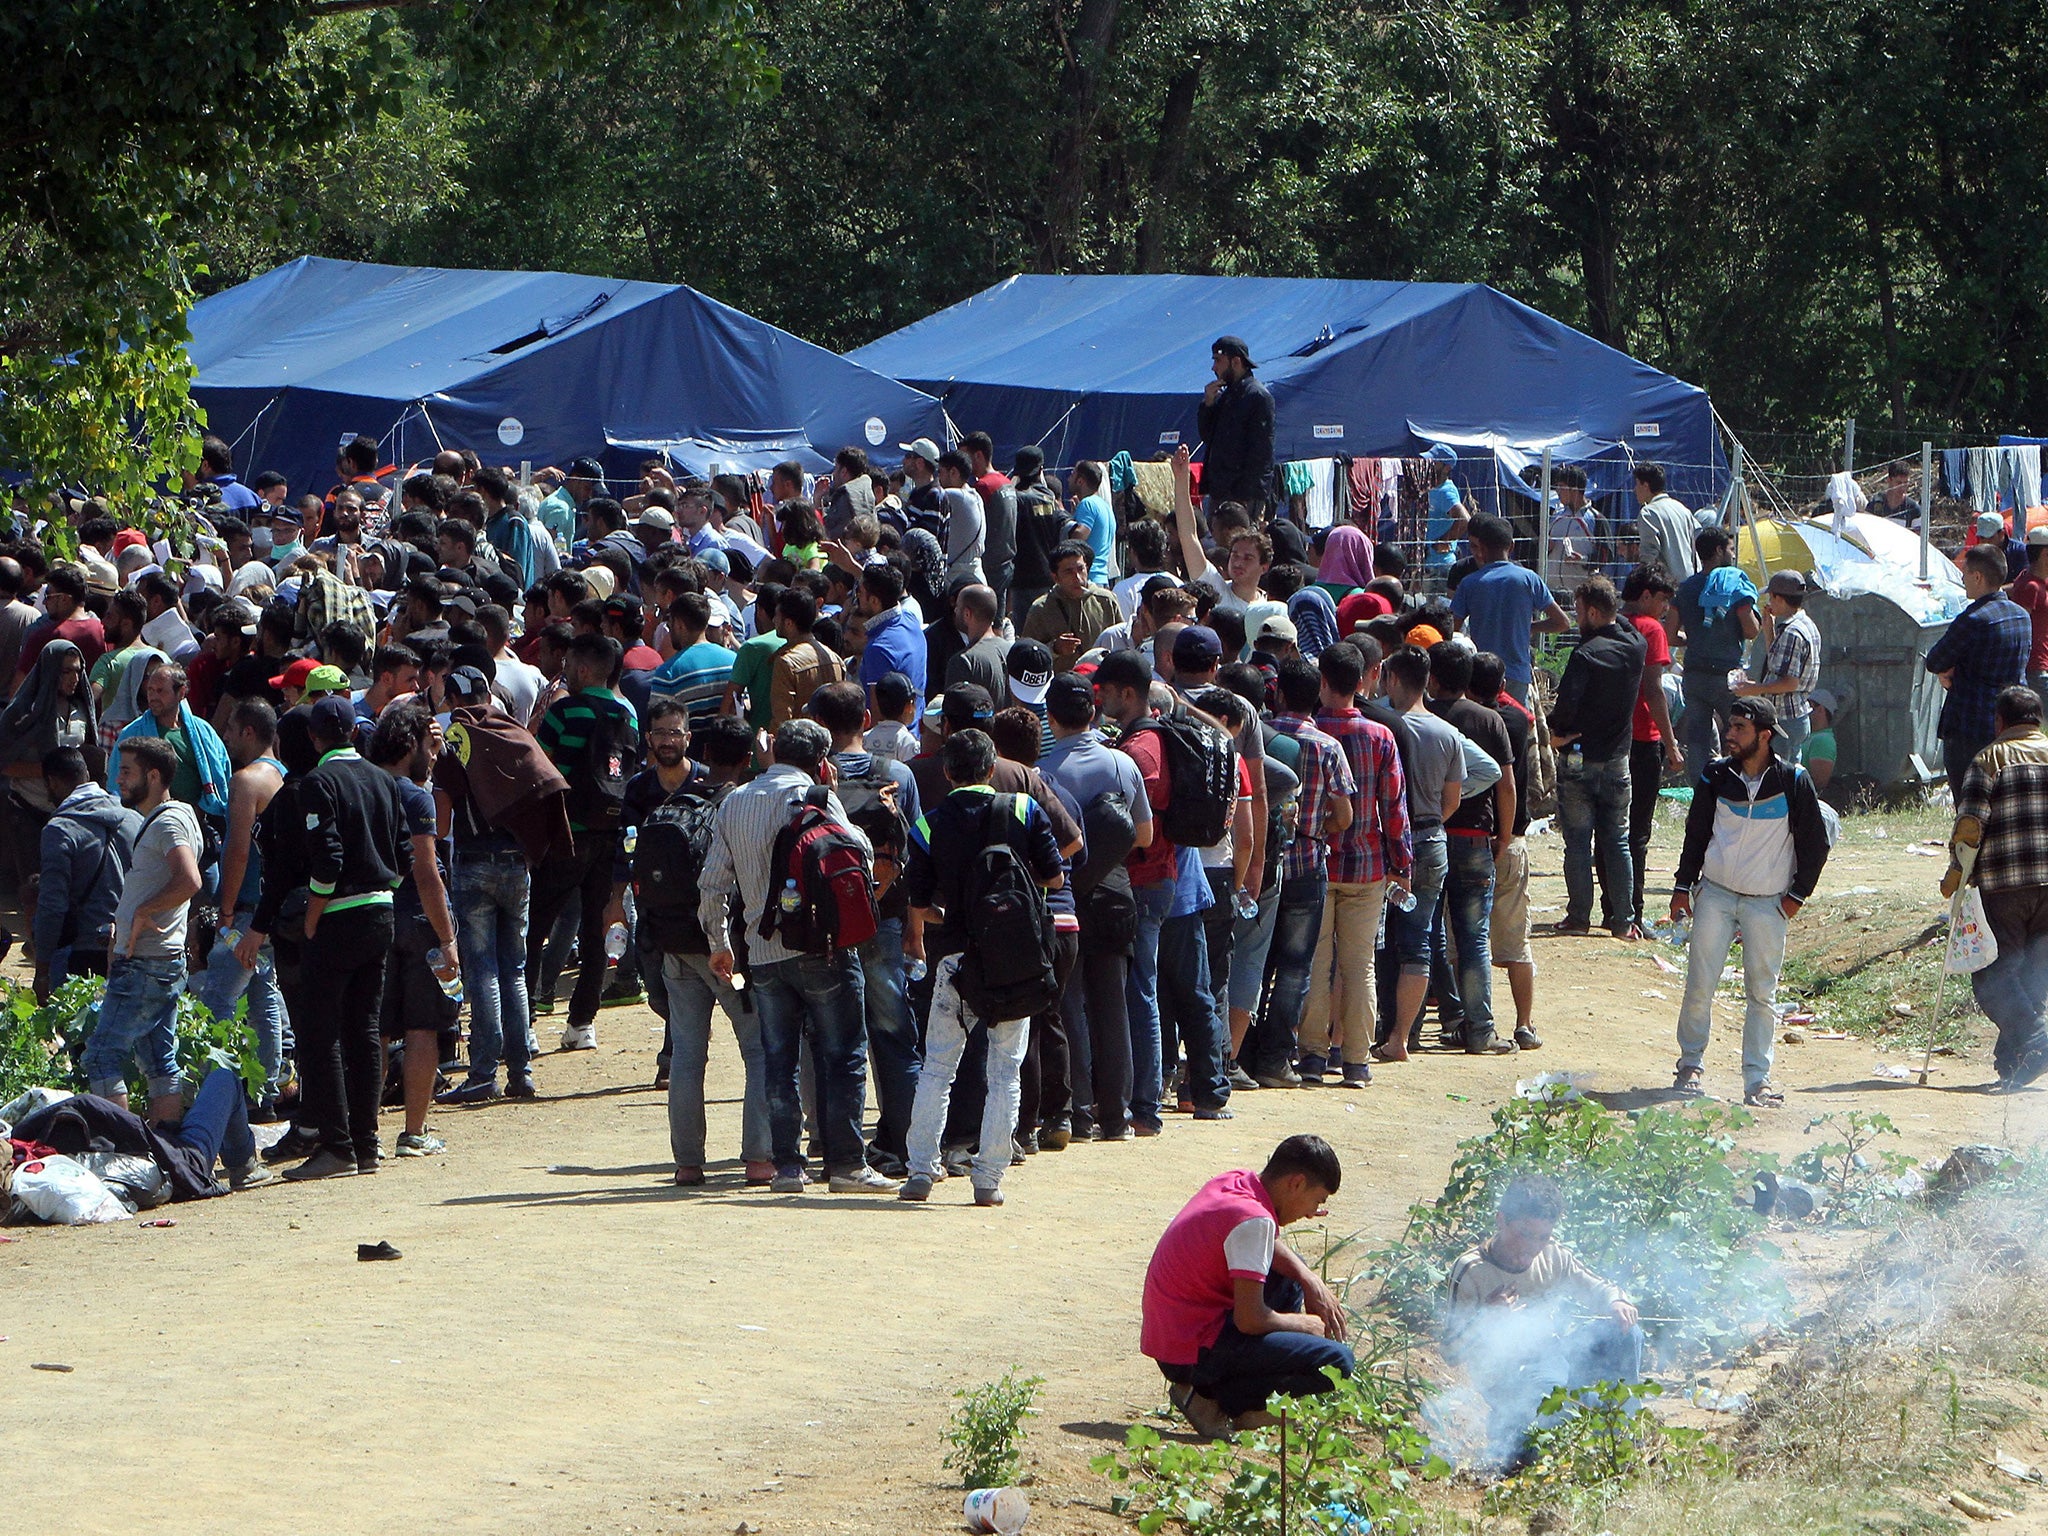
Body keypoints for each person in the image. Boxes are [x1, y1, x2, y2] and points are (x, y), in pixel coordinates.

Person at [698, 718, 897, 1195]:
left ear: (772, 753)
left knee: (778, 1059)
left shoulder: (735, 801)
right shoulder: (820, 799)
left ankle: (788, 1166)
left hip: (763, 952)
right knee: (844, 1052)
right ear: (822, 763)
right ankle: (847, 1162)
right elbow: (862, 854)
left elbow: (712, 883)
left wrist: (720, 943)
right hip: (824, 946)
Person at [899, 728, 1065, 1205]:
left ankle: (920, 1171)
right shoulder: (1023, 809)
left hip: (955, 958)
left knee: (937, 1067)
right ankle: (989, 1180)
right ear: (992, 770)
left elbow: (920, 901)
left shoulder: (928, 825)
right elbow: (1053, 876)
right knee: (1005, 1070)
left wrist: (953, 917)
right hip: (1015, 960)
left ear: (948, 772)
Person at [614, 708, 769, 1184]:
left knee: (686, 1054)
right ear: (748, 759)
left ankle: (687, 1163)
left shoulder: (673, 806)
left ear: (701, 753)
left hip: (676, 946)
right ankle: (759, 1158)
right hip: (728, 951)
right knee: (758, 1049)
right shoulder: (743, 806)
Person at [1669, 697, 1830, 1106]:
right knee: (1700, 984)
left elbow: (1816, 844)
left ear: (1764, 735)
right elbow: (1697, 833)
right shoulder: (1715, 776)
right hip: (1716, 895)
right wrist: (1682, 887)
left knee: (1762, 994)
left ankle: (1757, 1081)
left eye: (1739, 728)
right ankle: (1690, 1065)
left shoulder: (1793, 780)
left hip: (1767, 904)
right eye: (1729, 726)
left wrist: (1795, 898)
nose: (1729, 735)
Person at [1142, 1134, 1353, 1437]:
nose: (1311, 1213)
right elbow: (1251, 1319)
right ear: (1296, 1183)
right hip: (1189, 1352)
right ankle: (1225, 1402)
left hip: (1173, 1333)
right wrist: (1306, 1326)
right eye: (1316, 1200)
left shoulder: (1239, 1182)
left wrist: (1310, 1279)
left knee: (1292, 1277)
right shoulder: (1254, 1221)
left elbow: (1268, 1244)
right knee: (1337, 1361)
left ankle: (1223, 1386)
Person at [280, 696, 413, 1178]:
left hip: (336, 917)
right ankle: (367, 1142)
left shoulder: (318, 782)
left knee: (321, 1033)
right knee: (365, 1030)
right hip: (381, 914)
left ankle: (337, 1146)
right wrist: (384, 890)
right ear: (355, 733)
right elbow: (405, 855)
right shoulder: (384, 779)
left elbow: (328, 860)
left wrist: (314, 916)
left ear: (315, 739)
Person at [434, 669, 573, 1104]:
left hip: (473, 861)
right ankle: (522, 1071)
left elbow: (440, 821)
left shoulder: (456, 740)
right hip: (517, 865)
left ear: (456, 698)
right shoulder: (512, 732)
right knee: (514, 967)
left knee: (483, 970)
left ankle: (481, 1074)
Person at [1444, 1174, 1642, 1471]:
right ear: (1501, 1221)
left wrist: (1617, 1301)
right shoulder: (1471, 1270)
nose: (1532, 1247)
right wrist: (1487, 1316)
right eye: (1524, 1233)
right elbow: (1450, 1352)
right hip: (1510, 1380)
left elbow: (1597, 1287)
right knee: (1549, 1392)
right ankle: (1518, 1433)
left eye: (1542, 1236)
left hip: (1556, 1361)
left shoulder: (1552, 1256)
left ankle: (1621, 1437)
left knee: (1627, 1334)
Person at [810, 682, 922, 1179]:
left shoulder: (813, 782)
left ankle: (841, 1147)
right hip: (887, 919)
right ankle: (906, 1144)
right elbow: (917, 852)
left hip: (827, 925)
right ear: (868, 716)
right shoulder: (897, 775)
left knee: (836, 1038)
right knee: (895, 1034)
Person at [1041, 672, 1153, 1140]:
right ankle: (1117, 1116)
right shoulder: (1122, 764)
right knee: (1114, 1007)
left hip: (1067, 896)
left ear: (1050, 718)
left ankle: (1078, 1113)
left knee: (1070, 1009)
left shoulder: (1045, 770)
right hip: (1116, 892)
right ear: (1093, 711)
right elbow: (1144, 835)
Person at [527, 633, 642, 1052]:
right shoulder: (627, 716)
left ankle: (525, 1022)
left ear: (584, 669)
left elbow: (539, 768)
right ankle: (582, 1024)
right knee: (597, 930)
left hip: (565, 834)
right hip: (609, 834)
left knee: (534, 927)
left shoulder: (563, 713)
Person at [1247, 659, 1355, 1087]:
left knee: (1256, 961)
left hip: (1263, 863)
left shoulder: (1264, 737)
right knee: (1295, 968)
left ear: (1279, 694)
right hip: (1308, 865)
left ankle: (1244, 1051)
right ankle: (1275, 1058)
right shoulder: (1328, 747)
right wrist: (1314, 829)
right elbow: (1344, 816)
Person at [86, 737, 201, 1124]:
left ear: (153, 775)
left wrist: (142, 912)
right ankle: (165, 1145)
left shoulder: (168, 821)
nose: (118, 779)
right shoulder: (180, 814)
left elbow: (190, 879)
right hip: (161, 960)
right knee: (158, 1061)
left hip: (146, 963)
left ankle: (119, 1148)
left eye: (127, 771)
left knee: (102, 1055)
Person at [363, 704, 459, 1158]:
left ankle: (366, 1133)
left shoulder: (360, 785)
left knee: (374, 1030)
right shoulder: (416, 798)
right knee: (423, 1026)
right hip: (417, 923)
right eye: (429, 744)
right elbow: (426, 872)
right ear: (410, 745)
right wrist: (447, 937)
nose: (433, 754)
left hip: (370, 920)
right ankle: (414, 1132)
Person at [1945, 686, 2048, 1089]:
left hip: (2006, 884)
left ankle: (2038, 1039)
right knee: (2032, 977)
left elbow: (1970, 828)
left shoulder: (1988, 760)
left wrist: (1955, 875)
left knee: (1992, 974)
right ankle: (2015, 1064)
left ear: (2000, 722)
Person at [192, 701, 292, 1101]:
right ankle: (265, 1089)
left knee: (218, 996)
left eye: (231, 730)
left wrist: (226, 910)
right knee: (262, 992)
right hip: (276, 905)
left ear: (248, 732)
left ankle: (214, 1094)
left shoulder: (245, 781)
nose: (226, 737)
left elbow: (237, 851)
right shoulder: (285, 777)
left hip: (249, 907)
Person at [1425, 644, 1515, 1053]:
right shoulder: (1489, 720)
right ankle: (1479, 1030)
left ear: (1433, 678)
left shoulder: (1421, 717)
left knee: (1429, 934)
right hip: (1474, 839)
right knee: (1474, 938)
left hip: (1428, 838)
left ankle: (1450, 1016)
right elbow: (1505, 785)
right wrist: (1504, 836)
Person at [1549, 576, 1648, 938]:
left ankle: (1579, 917)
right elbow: (1617, 623)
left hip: (1579, 756)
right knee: (1616, 840)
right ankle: (1623, 920)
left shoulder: (1585, 654)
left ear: (1592, 611)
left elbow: (1567, 706)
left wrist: (1557, 732)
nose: (1576, 619)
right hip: (1618, 759)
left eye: (1579, 611)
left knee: (1577, 841)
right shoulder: (1636, 645)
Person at [32, 747, 140, 1000]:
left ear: (52, 781)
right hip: (132, 946)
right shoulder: (133, 819)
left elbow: (52, 905)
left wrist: (42, 970)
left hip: (83, 954)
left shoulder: (59, 830)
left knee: (80, 1034)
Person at [1927, 543, 2033, 796]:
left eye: (1964, 573)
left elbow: (1935, 661)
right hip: (2012, 721)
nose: (1962, 579)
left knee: (1969, 804)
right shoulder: (2021, 616)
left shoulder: (1973, 619)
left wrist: (1950, 673)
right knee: (2005, 799)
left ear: (1978, 577)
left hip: (1970, 724)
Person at [1619, 566, 1685, 928]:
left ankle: (1613, 907)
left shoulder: (1611, 624)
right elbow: (1655, 689)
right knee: (1638, 831)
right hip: (1644, 736)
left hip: (1611, 738)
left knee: (1612, 828)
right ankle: (1634, 913)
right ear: (1645, 595)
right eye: (1662, 600)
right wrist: (1672, 745)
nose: (1665, 608)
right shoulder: (1651, 629)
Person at [1671, 526, 1760, 781]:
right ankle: (1741, 784)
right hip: (1727, 674)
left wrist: (1693, 640)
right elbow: (1751, 629)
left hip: (1694, 673)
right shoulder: (1733, 582)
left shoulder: (1687, 588)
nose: (1732, 553)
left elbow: (1669, 634)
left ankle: (1703, 790)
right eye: (1731, 548)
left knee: (1697, 737)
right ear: (1720, 550)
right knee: (1740, 732)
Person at [1451, 515, 1567, 707]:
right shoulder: (1529, 579)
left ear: (1482, 548)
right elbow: (1562, 622)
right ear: (1511, 546)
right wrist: (1531, 627)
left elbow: (1453, 632)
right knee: (1516, 727)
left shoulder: (1469, 584)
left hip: (1480, 673)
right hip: (1517, 674)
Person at [1196, 337, 1276, 518]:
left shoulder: (1258, 396)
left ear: (1236, 361)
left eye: (1218, 360)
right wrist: (1207, 405)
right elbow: (1208, 437)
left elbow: (1262, 453)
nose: (1213, 368)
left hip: (1243, 495)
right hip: (1220, 491)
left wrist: (1247, 496)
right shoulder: (1226, 396)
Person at [1021, 541, 1122, 666]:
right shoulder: (1041, 609)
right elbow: (1026, 655)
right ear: (1056, 577)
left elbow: (1122, 642)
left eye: (1081, 569)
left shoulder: (1106, 601)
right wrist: (1054, 649)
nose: (1078, 578)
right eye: (1068, 572)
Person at [766, 587, 845, 728]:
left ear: (789, 623)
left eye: (777, 616)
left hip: (799, 744)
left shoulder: (786, 663)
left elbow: (782, 719)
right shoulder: (836, 659)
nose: (773, 620)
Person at [1631, 464, 1697, 580]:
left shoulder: (1648, 513)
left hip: (1667, 586)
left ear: (1645, 485)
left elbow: (1649, 555)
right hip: (1690, 581)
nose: (1634, 490)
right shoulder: (1682, 509)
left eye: (1637, 484)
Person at [935, 450, 987, 588]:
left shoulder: (956, 496)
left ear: (953, 472)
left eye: (940, 472)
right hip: (974, 576)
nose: (937, 478)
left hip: (959, 580)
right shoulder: (974, 495)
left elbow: (928, 495)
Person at [2010, 527, 2048, 700]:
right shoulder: (2030, 587)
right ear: (2045, 554)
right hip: (2035, 667)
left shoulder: (2035, 581)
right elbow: (2019, 629)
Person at [1421, 445, 1469, 572]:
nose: (1428, 464)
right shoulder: (1430, 487)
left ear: (1446, 468)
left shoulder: (1446, 492)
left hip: (1441, 564)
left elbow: (1464, 520)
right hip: (1428, 562)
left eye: (1434, 461)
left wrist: (1444, 541)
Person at [1802, 689, 1840, 792]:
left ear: (1820, 710)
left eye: (1808, 707)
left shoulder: (1823, 740)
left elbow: (1819, 783)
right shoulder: (1807, 736)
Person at [1875, 460, 1923, 531]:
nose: (1902, 487)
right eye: (1898, 483)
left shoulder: (1914, 509)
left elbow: (1917, 538)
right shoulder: (1876, 503)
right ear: (1889, 480)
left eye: (1905, 483)